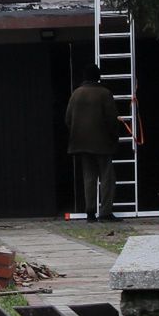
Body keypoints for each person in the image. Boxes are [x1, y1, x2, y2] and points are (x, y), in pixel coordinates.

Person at [66, 64, 124, 222]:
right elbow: (112, 119)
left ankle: (90, 212)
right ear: (98, 77)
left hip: (81, 143)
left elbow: (68, 119)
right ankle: (105, 212)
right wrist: (114, 137)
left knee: (89, 177)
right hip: (102, 142)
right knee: (107, 177)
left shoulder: (76, 94)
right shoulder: (104, 93)